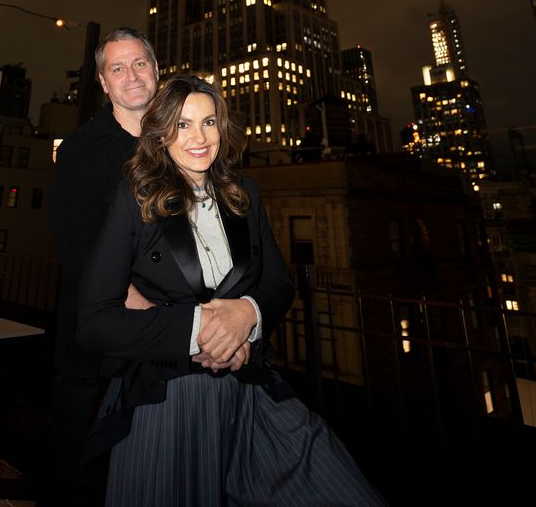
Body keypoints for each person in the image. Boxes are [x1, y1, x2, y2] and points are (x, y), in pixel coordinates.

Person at [78, 74, 388, 507]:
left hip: (251, 388)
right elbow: (94, 321)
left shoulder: (245, 194)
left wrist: (248, 314)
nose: (200, 137)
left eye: (209, 122)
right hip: (170, 399)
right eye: (183, 125)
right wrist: (200, 330)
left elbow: (278, 282)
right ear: (161, 132)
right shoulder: (135, 198)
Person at [45, 27, 159, 505]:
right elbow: (79, 251)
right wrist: (154, 319)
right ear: (103, 82)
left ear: (156, 71)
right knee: (84, 474)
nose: (131, 76)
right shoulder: (81, 149)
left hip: (162, 348)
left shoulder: (179, 144)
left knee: (149, 476)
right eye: (117, 68)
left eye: (139, 64)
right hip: (97, 353)